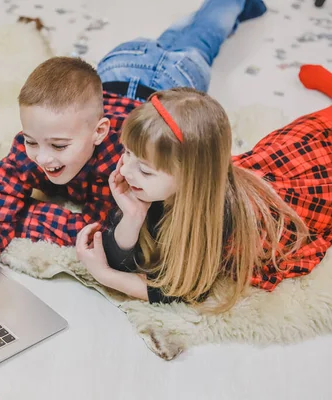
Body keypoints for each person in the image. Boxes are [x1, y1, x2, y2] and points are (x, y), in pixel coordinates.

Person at [0, 0, 268, 328]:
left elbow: (96, 234)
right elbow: (2, 199)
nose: (42, 156)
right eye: (31, 140)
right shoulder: (35, 144)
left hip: (171, 85)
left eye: (59, 145)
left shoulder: (128, 168)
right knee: (178, 35)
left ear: (100, 131)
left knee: (205, 33)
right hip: (120, 64)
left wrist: (14, 212)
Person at [76, 88, 332, 310]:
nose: (124, 170)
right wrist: (132, 217)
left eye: (144, 169)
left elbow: (179, 291)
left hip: (317, 172)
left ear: (191, 177)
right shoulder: (148, 186)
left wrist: (105, 276)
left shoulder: (215, 219)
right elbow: (122, 255)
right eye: (127, 153)